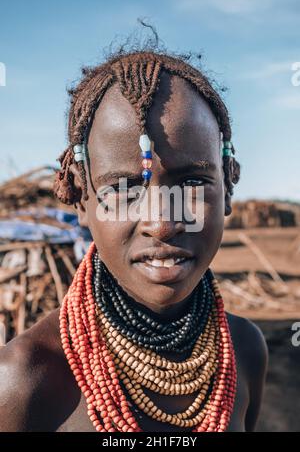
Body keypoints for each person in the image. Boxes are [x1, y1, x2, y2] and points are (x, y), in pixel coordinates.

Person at [0, 49, 268, 432]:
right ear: (80, 199)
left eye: (193, 182)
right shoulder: (24, 381)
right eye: (124, 189)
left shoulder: (244, 349)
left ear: (227, 188)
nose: (161, 224)